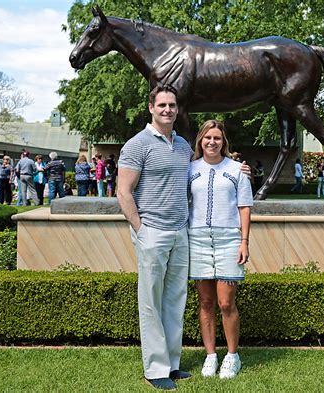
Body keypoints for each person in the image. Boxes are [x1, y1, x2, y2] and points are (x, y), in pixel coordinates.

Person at [117, 85, 192, 391]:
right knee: (151, 302)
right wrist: (140, 229)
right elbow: (123, 191)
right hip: (153, 232)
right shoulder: (138, 144)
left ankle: (172, 364)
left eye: (172, 105)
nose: (167, 110)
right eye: (162, 105)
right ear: (151, 108)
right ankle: (155, 369)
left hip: (180, 232)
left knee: (175, 300)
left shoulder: (184, 145)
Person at [188, 120, 253, 380]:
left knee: (226, 302)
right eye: (207, 137)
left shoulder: (237, 169)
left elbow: (245, 206)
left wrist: (244, 241)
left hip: (228, 240)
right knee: (205, 301)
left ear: (224, 141)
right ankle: (211, 355)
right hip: (198, 239)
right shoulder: (189, 169)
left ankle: (232, 356)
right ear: (200, 141)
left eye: (217, 138)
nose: (212, 142)